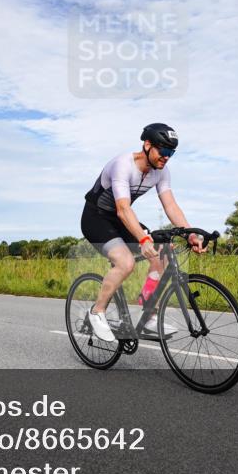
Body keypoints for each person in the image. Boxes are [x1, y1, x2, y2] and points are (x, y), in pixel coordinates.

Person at [80, 123, 205, 342]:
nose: (166, 157)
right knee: (125, 262)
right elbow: (122, 208)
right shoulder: (123, 165)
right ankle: (96, 312)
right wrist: (143, 238)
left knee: (162, 253)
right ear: (147, 145)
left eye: (171, 152)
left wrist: (190, 234)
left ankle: (148, 316)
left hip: (123, 219)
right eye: (163, 150)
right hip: (96, 218)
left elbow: (170, 206)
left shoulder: (161, 172)